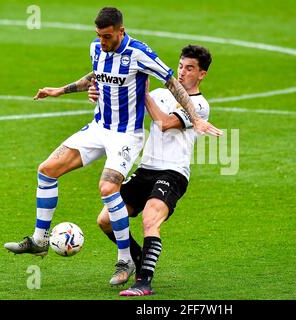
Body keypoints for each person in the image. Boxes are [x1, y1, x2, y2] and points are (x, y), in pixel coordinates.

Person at [4, 7, 222, 286]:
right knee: (47, 170)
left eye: (107, 37)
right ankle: (39, 240)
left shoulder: (139, 53)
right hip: (99, 127)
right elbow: (96, 75)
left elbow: (170, 81)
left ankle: (126, 258)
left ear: (121, 31)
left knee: (108, 188)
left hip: (125, 135)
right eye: (99, 36)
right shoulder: (97, 48)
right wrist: (62, 89)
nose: (103, 42)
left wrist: (195, 118)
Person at [91, 44, 215, 296]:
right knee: (105, 220)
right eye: (180, 66)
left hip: (173, 173)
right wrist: (97, 92)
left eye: (190, 68)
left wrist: (145, 95)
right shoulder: (160, 92)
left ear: (202, 74)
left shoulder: (199, 106)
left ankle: (143, 282)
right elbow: (121, 100)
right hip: (146, 169)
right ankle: (137, 259)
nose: (182, 73)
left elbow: (165, 122)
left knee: (150, 218)